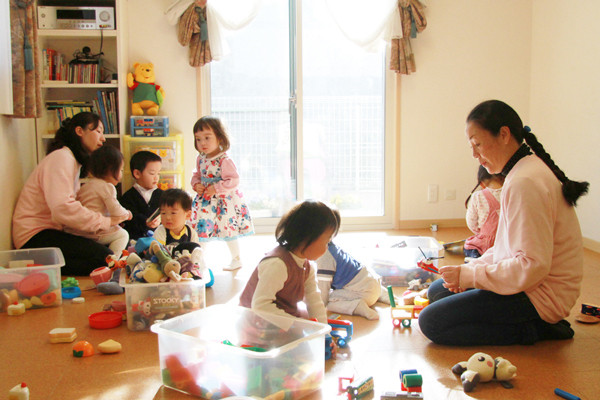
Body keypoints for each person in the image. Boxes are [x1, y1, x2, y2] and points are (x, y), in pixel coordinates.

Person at [418, 100, 589, 346]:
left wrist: (470, 276)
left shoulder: (524, 182)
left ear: (504, 134)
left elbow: (531, 267)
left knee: (432, 322)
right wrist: (469, 270)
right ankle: (523, 322)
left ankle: (538, 328)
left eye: (477, 144)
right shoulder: (521, 173)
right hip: (529, 284)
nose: (474, 155)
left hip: (540, 296)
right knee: (437, 292)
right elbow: (504, 249)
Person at [12, 112, 129, 275]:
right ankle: (36, 267)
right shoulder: (62, 158)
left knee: (106, 251)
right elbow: (63, 208)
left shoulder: (72, 161)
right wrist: (106, 221)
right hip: (34, 236)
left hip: (52, 231)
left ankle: (44, 266)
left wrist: (105, 223)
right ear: (79, 131)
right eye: (98, 131)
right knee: (105, 259)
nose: (103, 139)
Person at [239, 200, 339, 324]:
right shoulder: (277, 264)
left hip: (280, 317)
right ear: (307, 237)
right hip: (255, 322)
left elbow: (314, 301)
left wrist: (324, 330)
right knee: (303, 322)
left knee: (306, 317)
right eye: (326, 242)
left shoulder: (307, 267)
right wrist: (295, 325)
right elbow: (260, 306)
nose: (327, 248)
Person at [189, 116, 254, 271]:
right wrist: (196, 184)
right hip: (206, 201)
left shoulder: (224, 160)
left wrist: (217, 188)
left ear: (219, 137)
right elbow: (197, 174)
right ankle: (199, 259)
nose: (202, 143)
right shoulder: (201, 158)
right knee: (202, 228)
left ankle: (236, 258)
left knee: (227, 229)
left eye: (207, 138)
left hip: (224, 202)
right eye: (198, 139)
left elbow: (234, 180)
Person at [315, 209, 391, 320]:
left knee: (328, 301)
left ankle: (358, 306)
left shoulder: (324, 256)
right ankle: (380, 294)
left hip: (365, 292)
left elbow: (323, 292)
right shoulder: (332, 248)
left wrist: (317, 309)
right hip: (372, 282)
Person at [65, 145, 132, 255]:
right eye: (120, 170)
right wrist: (127, 213)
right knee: (122, 234)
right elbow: (116, 210)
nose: (121, 174)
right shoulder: (107, 187)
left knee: (115, 227)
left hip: (78, 230)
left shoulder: (86, 186)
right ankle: (113, 260)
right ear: (111, 170)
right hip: (94, 232)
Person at [119, 150, 163, 241]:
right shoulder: (128, 197)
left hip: (159, 239)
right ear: (137, 174)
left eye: (158, 173)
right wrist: (145, 222)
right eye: (152, 173)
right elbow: (129, 219)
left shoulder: (162, 195)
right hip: (135, 240)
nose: (156, 177)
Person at [463, 165, 505, 260]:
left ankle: (476, 259)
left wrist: (480, 233)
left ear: (482, 183)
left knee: (469, 247)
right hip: (507, 243)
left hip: (485, 245)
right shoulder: (511, 192)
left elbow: (471, 223)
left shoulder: (478, 196)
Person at [154, 188, 201, 254]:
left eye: (173, 213)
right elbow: (159, 253)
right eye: (163, 213)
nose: (167, 217)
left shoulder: (191, 233)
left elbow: (196, 252)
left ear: (188, 215)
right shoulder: (161, 231)